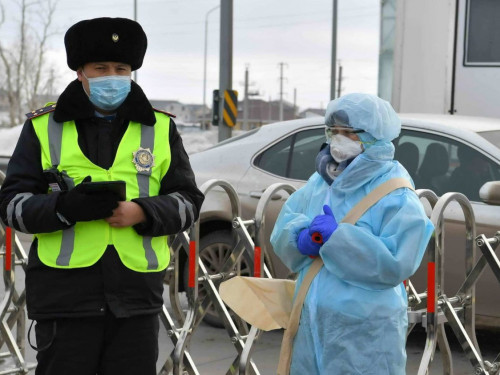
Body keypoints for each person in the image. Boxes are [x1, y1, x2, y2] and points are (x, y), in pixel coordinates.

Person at [0, 17, 204, 375]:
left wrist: (143, 212)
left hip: (136, 301)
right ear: (81, 72)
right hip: (65, 302)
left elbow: (189, 201)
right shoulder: (41, 128)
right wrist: (64, 208)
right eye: (101, 67)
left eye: (121, 68)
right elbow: (10, 207)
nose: (112, 75)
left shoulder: (160, 128)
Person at [271, 93, 434, 374]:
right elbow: (285, 225)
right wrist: (298, 238)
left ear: (373, 136)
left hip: (364, 332)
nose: (338, 139)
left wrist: (338, 240)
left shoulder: (395, 192)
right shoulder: (321, 181)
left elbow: (396, 262)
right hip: (310, 321)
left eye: (348, 132)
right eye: (333, 131)